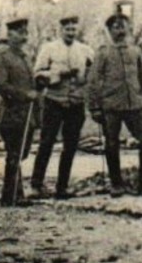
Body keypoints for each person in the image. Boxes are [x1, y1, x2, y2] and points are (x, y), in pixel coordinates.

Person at [86, 11, 142, 197]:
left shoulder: (136, 52)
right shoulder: (103, 53)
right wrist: (95, 107)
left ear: (129, 28)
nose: (120, 29)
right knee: (112, 144)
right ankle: (116, 184)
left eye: (123, 25)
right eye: (115, 26)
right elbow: (93, 81)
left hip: (136, 105)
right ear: (110, 30)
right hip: (111, 107)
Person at [30, 15, 94, 199]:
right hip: (54, 102)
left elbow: (94, 71)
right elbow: (38, 74)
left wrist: (87, 75)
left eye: (74, 29)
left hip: (75, 103)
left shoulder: (85, 50)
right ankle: (36, 184)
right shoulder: (49, 49)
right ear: (61, 30)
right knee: (46, 143)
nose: (71, 33)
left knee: (70, 145)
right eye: (67, 29)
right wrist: (59, 74)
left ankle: (62, 187)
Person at [0, 18, 36, 208]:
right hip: (10, 113)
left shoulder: (25, 58)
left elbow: (30, 83)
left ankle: (14, 194)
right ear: (9, 35)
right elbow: (1, 86)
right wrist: (24, 95)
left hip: (26, 114)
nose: (22, 36)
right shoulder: (1, 58)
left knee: (21, 153)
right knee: (14, 153)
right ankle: (11, 196)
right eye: (18, 33)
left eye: (25, 33)